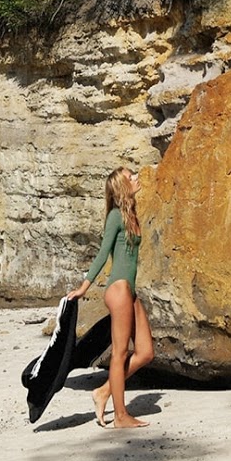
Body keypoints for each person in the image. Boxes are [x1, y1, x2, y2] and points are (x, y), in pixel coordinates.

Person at [67, 165, 154, 428]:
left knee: (145, 352)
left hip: (130, 290)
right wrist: (83, 288)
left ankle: (104, 391)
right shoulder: (115, 216)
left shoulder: (131, 214)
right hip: (118, 289)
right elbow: (102, 254)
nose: (136, 178)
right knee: (120, 353)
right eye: (130, 177)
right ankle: (120, 416)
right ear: (121, 186)